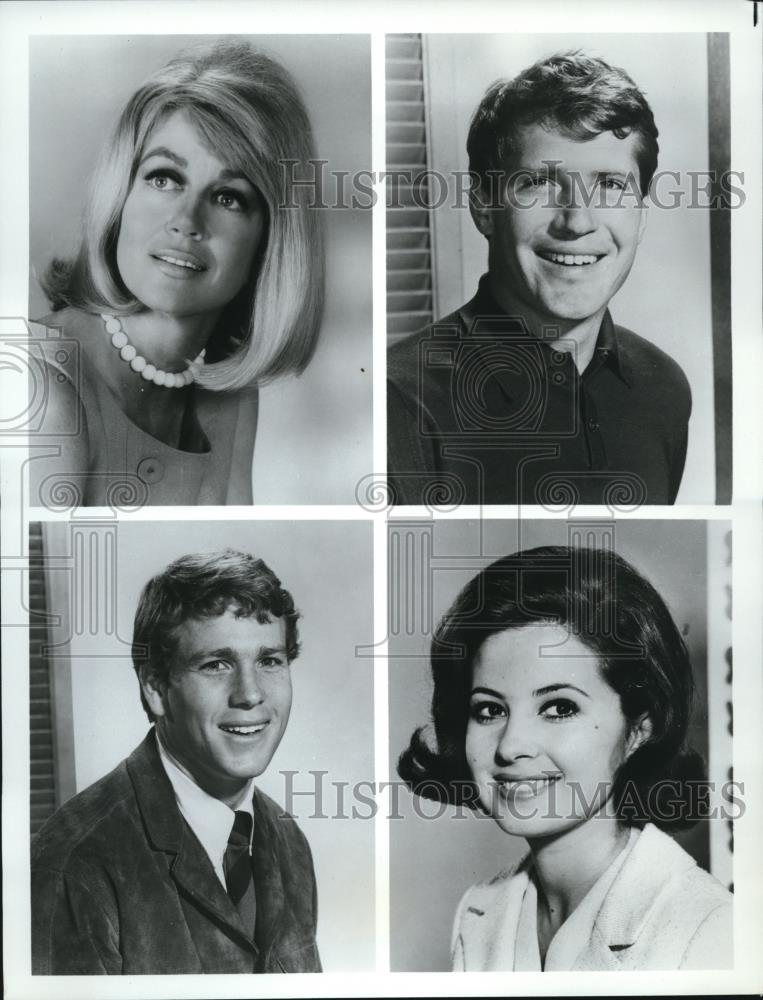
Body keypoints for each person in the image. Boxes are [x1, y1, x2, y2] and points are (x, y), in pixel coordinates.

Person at [398, 545, 733, 971]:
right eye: (490, 709)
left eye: (559, 708)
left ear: (637, 730)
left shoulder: (709, 930)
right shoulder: (477, 915)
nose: (510, 745)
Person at [387, 53, 691, 506]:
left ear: (641, 213)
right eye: (540, 184)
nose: (577, 221)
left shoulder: (663, 386)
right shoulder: (400, 402)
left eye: (609, 184)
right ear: (484, 208)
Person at [31, 41, 323, 507]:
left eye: (229, 197)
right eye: (164, 177)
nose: (187, 221)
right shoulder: (41, 392)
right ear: (120, 196)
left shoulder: (229, 391)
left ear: (272, 243)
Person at [31, 549, 321, 974]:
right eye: (216, 664)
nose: (250, 694)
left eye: (269, 661)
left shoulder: (288, 841)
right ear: (155, 688)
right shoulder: (78, 859)